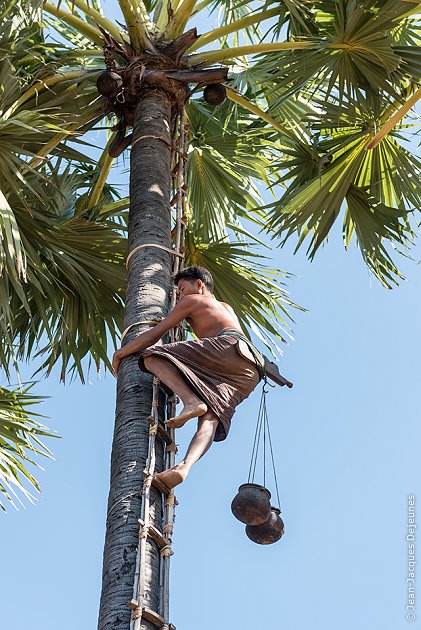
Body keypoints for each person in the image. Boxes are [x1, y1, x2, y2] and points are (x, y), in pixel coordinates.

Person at [112, 266, 261, 490]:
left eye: (182, 289)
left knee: (152, 357)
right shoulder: (225, 308)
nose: (180, 295)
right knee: (212, 416)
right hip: (250, 368)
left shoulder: (192, 302)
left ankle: (191, 401)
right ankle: (184, 467)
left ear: (199, 284)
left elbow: (155, 333)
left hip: (226, 348)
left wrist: (121, 353)